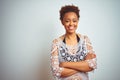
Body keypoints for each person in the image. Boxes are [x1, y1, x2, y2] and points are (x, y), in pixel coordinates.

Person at [50, 5, 97, 80]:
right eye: (67, 21)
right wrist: (83, 64)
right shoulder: (56, 43)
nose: (71, 24)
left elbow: (92, 65)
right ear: (62, 22)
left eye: (74, 21)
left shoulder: (85, 40)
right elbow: (56, 72)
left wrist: (65, 64)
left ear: (78, 21)